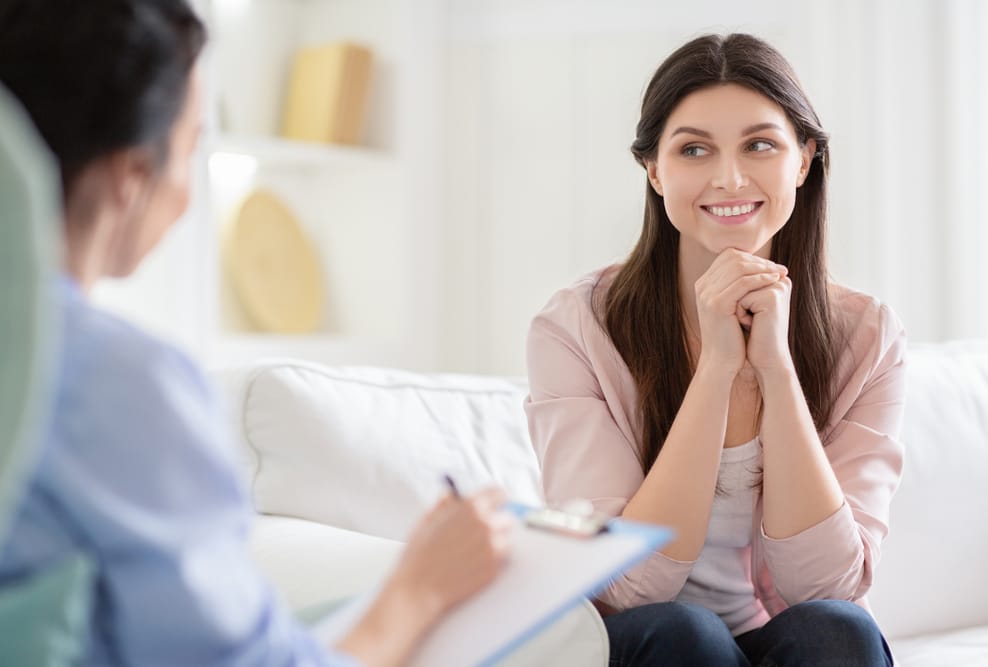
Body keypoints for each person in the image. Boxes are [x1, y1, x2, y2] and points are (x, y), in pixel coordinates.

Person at [0, 1, 512, 665]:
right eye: (189, 148)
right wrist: (417, 590)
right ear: (131, 178)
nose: (186, 192)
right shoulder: (114, 380)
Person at [525, 33, 903, 666]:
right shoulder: (576, 327)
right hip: (649, 641)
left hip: (783, 636)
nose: (729, 178)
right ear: (654, 168)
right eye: (694, 149)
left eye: (760, 144)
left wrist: (775, 369)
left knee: (838, 630)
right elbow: (625, 585)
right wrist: (719, 366)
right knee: (686, 634)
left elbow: (828, 585)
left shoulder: (866, 336)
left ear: (804, 160)